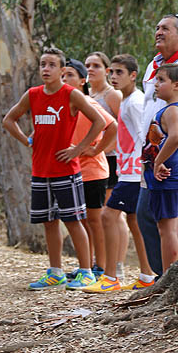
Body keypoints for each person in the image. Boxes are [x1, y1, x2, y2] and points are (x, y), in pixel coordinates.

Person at [2, 48, 105, 290]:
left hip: (66, 170)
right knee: (49, 222)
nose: (46, 69)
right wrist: (27, 140)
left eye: (51, 65)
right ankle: (55, 272)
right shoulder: (33, 94)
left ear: (62, 70)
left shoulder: (71, 95)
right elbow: (9, 119)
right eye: (42, 64)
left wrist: (78, 148)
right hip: (40, 170)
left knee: (73, 220)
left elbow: (99, 122)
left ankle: (86, 271)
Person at [83, 54, 155, 292]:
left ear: (133, 75)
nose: (113, 77)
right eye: (111, 72)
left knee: (108, 216)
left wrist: (142, 167)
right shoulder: (126, 100)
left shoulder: (135, 102)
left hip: (135, 173)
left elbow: (146, 135)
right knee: (134, 221)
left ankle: (111, 277)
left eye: (119, 72)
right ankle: (147, 276)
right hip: (127, 170)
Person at [139, 14, 178, 276]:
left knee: (167, 224)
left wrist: (159, 160)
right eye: (157, 27)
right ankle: (171, 278)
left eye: (165, 28)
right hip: (156, 156)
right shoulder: (154, 65)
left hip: (172, 160)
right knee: (168, 223)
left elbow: (174, 133)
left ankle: (167, 276)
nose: (158, 32)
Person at [62, 58, 117, 279]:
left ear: (82, 81)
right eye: (63, 75)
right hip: (72, 171)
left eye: (70, 76)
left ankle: (100, 267)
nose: (65, 79)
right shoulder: (62, 105)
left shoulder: (88, 104)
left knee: (94, 221)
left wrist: (94, 150)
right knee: (81, 221)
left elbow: (112, 126)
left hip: (93, 171)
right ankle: (86, 265)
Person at [85, 51, 129, 279]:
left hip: (112, 159)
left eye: (96, 65)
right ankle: (98, 263)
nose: (91, 69)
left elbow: (122, 126)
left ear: (106, 70)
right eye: (87, 65)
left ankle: (117, 264)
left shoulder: (113, 95)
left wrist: (102, 148)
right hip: (94, 160)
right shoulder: (87, 94)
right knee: (96, 215)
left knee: (113, 213)